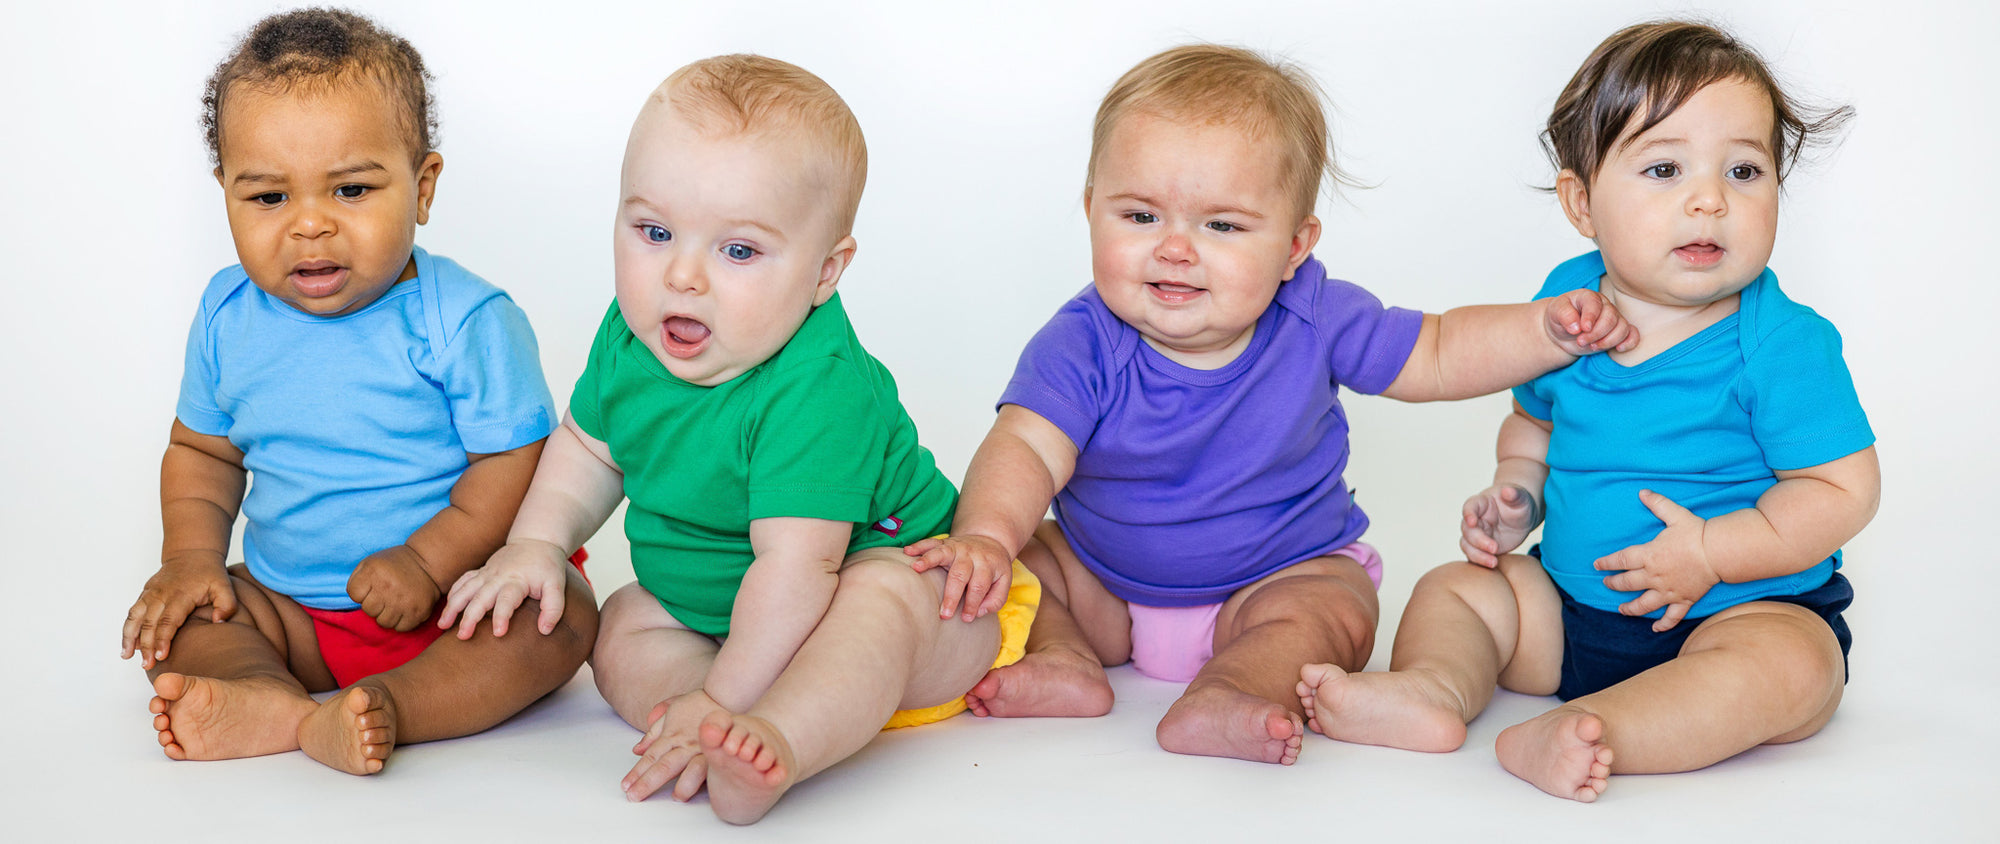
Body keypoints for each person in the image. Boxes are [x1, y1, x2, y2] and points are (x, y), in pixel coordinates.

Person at [904, 43, 1633, 765]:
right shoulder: (1081, 341)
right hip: (1106, 582)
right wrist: (989, 537)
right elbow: (1027, 448)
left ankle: (1233, 689)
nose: (1176, 249)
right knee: (1030, 558)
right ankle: (1065, 657)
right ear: (1092, 208)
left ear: (1294, 247)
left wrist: (1543, 331)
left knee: (1336, 604)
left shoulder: (1316, 315)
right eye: (1139, 217)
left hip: (1277, 576)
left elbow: (1438, 351)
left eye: (1222, 225)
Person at [439, 54, 1039, 825]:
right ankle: (709, 726)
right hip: (723, 617)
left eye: (739, 251)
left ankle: (779, 739)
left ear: (826, 272)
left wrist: (725, 693)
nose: (682, 276)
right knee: (620, 623)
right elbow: (590, 451)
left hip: (898, 606)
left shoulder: (819, 385)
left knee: (880, 601)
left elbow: (800, 570)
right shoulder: (632, 334)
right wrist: (535, 544)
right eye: (654, 231)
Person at [1296, 20, 1877, 802]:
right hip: (1571, 611)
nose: (1709, 199)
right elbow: (1532, 423)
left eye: (1745, 170)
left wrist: (1713, 551)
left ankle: (1605, 732)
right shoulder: (1564, 311)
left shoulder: (1782, 344)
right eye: (1665, 168)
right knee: (1460, 589)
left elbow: (1842, 490)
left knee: (1796, 671)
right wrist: (1516, 493)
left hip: (1739, 611)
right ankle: (1433, 688)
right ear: (1582, 203)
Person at [120, 7, 597, 776]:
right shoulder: (226, 313)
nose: (309, 226)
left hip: (455, 604)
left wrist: (427, 562)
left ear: (422, 186)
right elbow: (202, 454)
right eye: (269, 198)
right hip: (297, 608)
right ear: (226, 192)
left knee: (560, 618)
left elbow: (516, 465)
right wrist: (190, 558)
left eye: (350, 189)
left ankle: (393, 705)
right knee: (183, 621)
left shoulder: (465, 320)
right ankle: (264, 694)